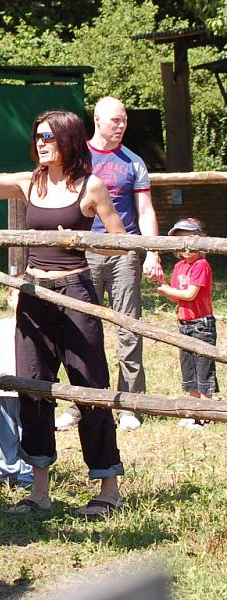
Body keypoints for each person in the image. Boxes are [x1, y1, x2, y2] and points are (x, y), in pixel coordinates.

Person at [0, 110, 127, 519]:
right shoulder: (27, 182)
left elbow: (120, 242)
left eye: (49, 136)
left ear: (69, 139)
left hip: (76, 293)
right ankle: (39, 492)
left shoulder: (91, 187)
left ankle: (108, 489)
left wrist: (83, 241)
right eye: (37, 136)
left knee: (91, 386)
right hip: (34, 294)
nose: (40, 142)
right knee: (33, 388)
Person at [56, 96, 163, 432]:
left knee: (129, 327)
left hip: (123, 251)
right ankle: (80, 403)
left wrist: (152, 251)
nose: (120, 126)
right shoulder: (78, 159)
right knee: (80, 328)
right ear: (97, 121)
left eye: (124, 120)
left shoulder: (133, 162)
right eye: (114, 120)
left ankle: (129, 403)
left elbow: (144, 210)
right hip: (84, 250)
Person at [156, 217, 218, 429]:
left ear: (201, 241)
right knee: (189, 369)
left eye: (190, 240)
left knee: (204, 368)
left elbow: (190, 294)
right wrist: (162, 283)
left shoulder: (201, 265)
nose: (186, 247)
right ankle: (193, 411)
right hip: (184, 323)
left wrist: (166, 290)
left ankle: (208, 412)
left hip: (201, 323)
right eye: (180, 242)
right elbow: (176, 297)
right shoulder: (180, 266)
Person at [0, 287, 34, 488]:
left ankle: (27, 475)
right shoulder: (0, 327)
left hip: (28, 391)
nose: (20, 302)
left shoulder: (35, 328)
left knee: (26, 433)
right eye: (16, 297)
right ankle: (8, 471)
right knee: (6, 434)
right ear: (9, 300)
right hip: (4, 391)